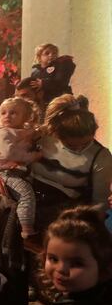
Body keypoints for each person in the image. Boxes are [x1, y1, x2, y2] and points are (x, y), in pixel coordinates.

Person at [30, 94, 112, 233]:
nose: (80, 149)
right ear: (55, 133)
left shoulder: (101, 156)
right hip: (26, 199)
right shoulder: (39, 137)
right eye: (72, 146)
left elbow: (100, 203)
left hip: (63, 214)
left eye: (86, 143)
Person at [0, 97, 42, 240]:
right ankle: (27, 229)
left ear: (25, 117)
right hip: (7, 173)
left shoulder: (19, 131)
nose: (7, 116)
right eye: (3, 113)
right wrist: (33, 156)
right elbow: (10, 153)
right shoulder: (2, 132)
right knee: (26, 194)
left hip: (17, 171)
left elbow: (33, 133)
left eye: (13, 113)